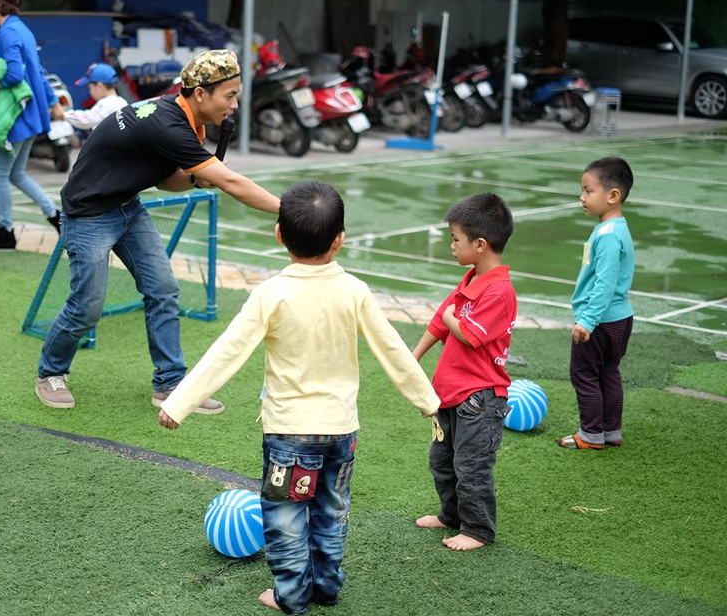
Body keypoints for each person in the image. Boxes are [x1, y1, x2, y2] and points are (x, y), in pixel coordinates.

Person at [157, 181, 441, 615]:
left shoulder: (271, 293)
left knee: (287, 518)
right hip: (341, 430)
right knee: (331, 511)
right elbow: (393, 349)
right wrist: (427, 399)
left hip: (290, 434)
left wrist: (179, 403)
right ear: (339, 240)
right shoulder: (354, 290)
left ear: (279, 235)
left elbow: (227, 351)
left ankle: (291, 597)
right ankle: (326, 587)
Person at [35, 49, 280, 410]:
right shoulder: (168, 123)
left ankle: (170, 385)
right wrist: (288, 210)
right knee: (87, 306)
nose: (235, 105)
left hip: (127, 207)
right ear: (201, 94)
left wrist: (198, 179)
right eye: (229, 95)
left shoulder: (182, 118)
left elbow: (167, 180)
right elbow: (231, 182)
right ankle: (50, 372)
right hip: (88, 215)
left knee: (163, 290)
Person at [412, 192, 517, 552]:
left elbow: (469, 335)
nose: (451, 245)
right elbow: (440, 322)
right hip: (451, 394)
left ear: (481, 244)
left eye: (456, 239)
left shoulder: (500, 291)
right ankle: (451, 515)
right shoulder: (470, 279)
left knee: (472, 467)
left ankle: (478, 530)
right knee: (442, 460)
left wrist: (451, 318)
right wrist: (415, 356)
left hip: (480, 399)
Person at [0, 0, 65, 252]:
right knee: (16, 174)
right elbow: (36, 70)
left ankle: (6, 233)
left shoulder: (7, 34)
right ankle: (57, 217)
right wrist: (51, 101)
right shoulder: (20, 29)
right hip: (31, 114)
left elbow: (15, 74)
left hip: (15, 116)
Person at [557, 157, 635, 450]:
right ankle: (610, 431)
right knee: (608, 372)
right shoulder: (617, 229)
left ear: (613, 195)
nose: (582, 197)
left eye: (588, 191)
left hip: (600, 322)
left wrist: (587, 320)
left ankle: (591, 434)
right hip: (620, 319)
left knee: (584, 374)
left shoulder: (608, 236)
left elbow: (604, 284)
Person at [64, 63, 128, 132]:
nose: (89, 92)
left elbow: (86, 120)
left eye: (90, 88)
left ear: (99, 86)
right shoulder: (121, 101)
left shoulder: (107, 103)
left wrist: (64, 114)